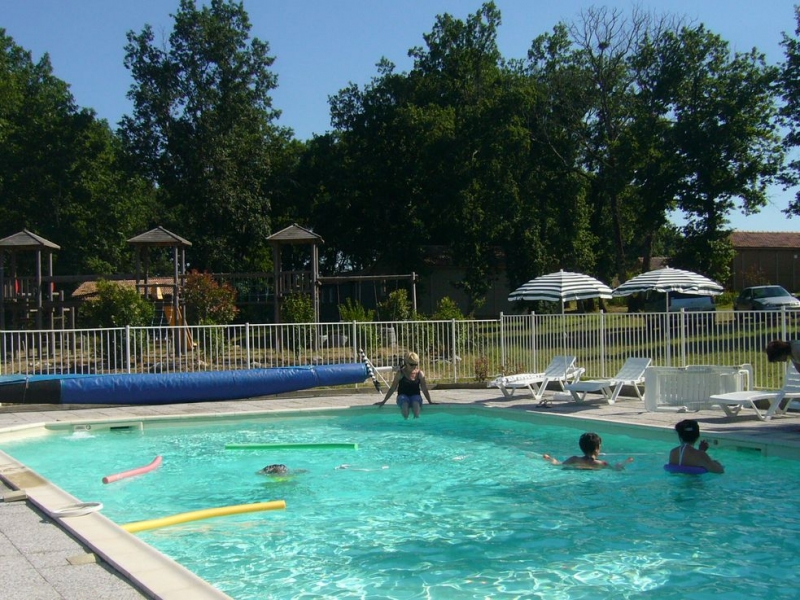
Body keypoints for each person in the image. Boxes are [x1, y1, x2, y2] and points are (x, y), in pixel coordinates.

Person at [375, 351, 434, 419]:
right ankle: (406, 422)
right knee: (405, 405)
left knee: (416, 405)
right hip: (402, 396)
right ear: (406, 363)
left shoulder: (419, 374)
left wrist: (430, 401)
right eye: (411, 364)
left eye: (416, 364)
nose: (414, 366)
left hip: (415, 396)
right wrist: (384, 401)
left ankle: (415, 422)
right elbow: (392, 388)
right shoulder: (400, 373)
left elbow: (424, 389)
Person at [542, 432, 633, 471]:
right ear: (597, 448)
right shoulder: (602, 463)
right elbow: (616, 469)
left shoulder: (574, 459)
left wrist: (550, 458)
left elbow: (558, 464)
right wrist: (625, 462)